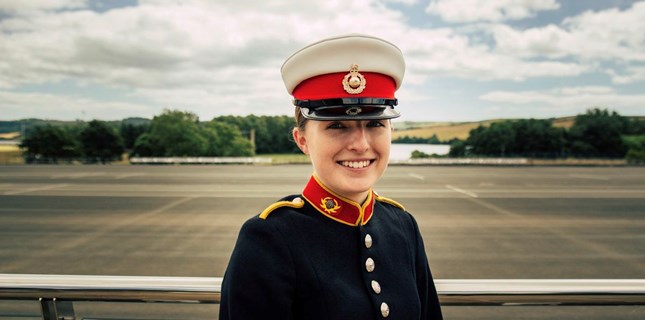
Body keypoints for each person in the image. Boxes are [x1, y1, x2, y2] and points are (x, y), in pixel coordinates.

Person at [220, 34, 443, 320]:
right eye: (337, 125)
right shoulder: (269, 239)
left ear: (392, 133)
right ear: (302, 140)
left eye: (375, 123)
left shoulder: (403, 225)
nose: (361, 144)